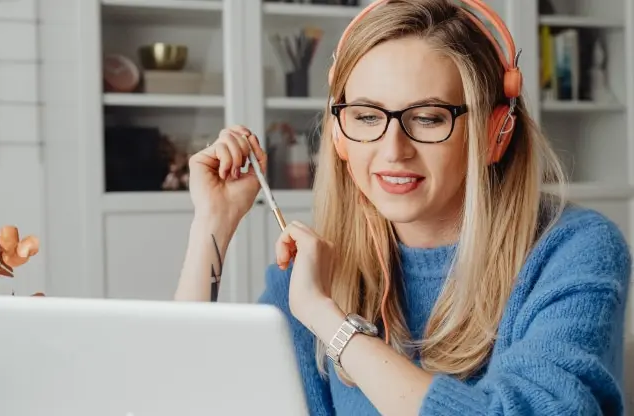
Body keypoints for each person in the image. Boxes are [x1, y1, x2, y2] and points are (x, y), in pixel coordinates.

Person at [175, 0, 632, 414]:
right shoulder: (310, 271)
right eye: (368, 117)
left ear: (496, 134)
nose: (394, 149)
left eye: (429, 118)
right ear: (339, 134)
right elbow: (185, 397)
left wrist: (329, 321)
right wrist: (211, 225)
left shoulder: (576, 250)